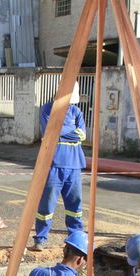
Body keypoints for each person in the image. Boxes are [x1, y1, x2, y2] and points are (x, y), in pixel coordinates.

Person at [31, 81, 86, 251]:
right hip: (54, 164)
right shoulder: (48, 109)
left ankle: (76, 237)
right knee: (47, 205)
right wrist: (63, 132)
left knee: (74, 206)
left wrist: (60, 133)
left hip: (74, 165)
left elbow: (82, 134)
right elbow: (50, 132)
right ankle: (40, 238)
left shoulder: (76, 112)